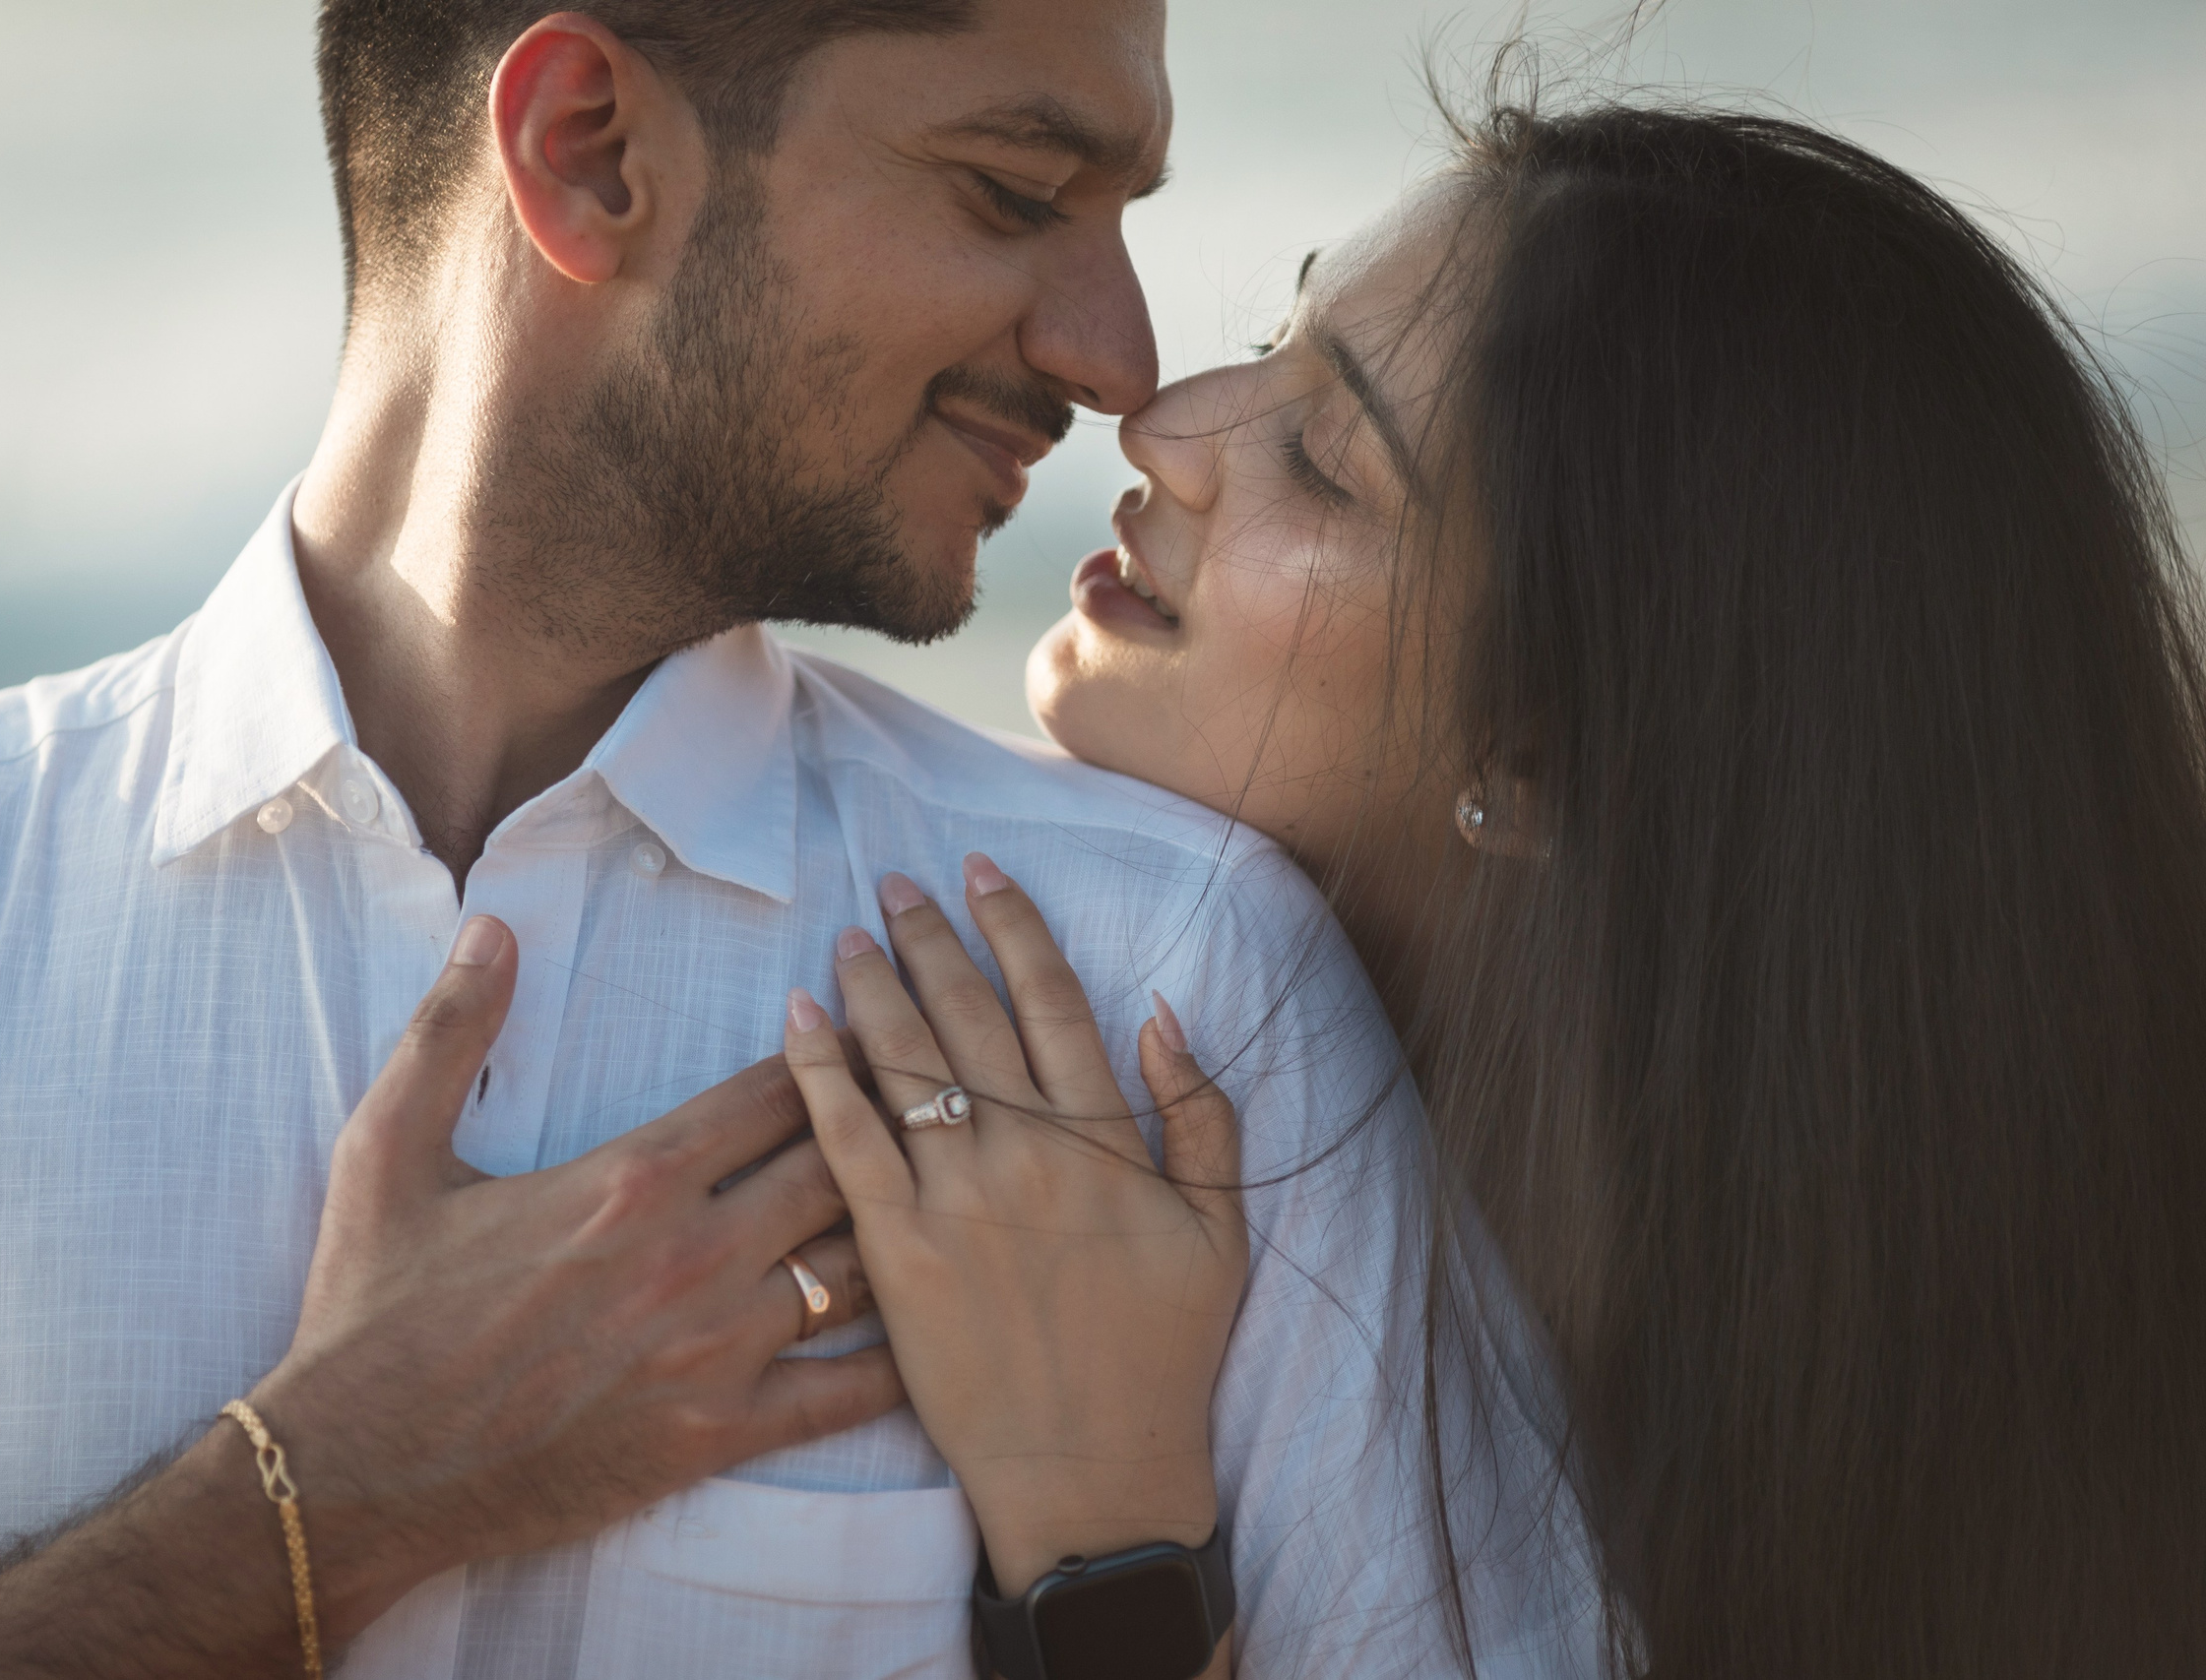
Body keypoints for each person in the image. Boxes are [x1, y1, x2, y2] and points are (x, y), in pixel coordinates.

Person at [0, 5, 1599, 1678]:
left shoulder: (1168, 978)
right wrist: (324, 1494)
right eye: (1014, 193)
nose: (1120, 358)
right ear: (589, 156)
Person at [772, 96, 2206, 1680]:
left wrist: (1104, 1540)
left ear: (1531, 761)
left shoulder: (1849, 1450)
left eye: (1322, 461)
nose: (1165, 426)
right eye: (1275, 334)